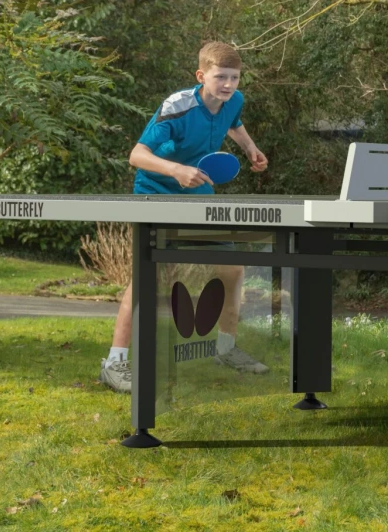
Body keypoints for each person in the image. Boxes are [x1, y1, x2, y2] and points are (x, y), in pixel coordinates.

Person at [100, 40, 272, 393]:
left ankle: (225, 349)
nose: (228, 84)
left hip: (198, 197)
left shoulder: (233, 100)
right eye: (220, 77)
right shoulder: (176, 107)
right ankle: (114, 364)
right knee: (145, 278)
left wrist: (250, 148)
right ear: (201, 75)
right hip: (156, 195)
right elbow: (137, 155)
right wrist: (176, 169)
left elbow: (234, 124)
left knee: (232, 269)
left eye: (234, 78)